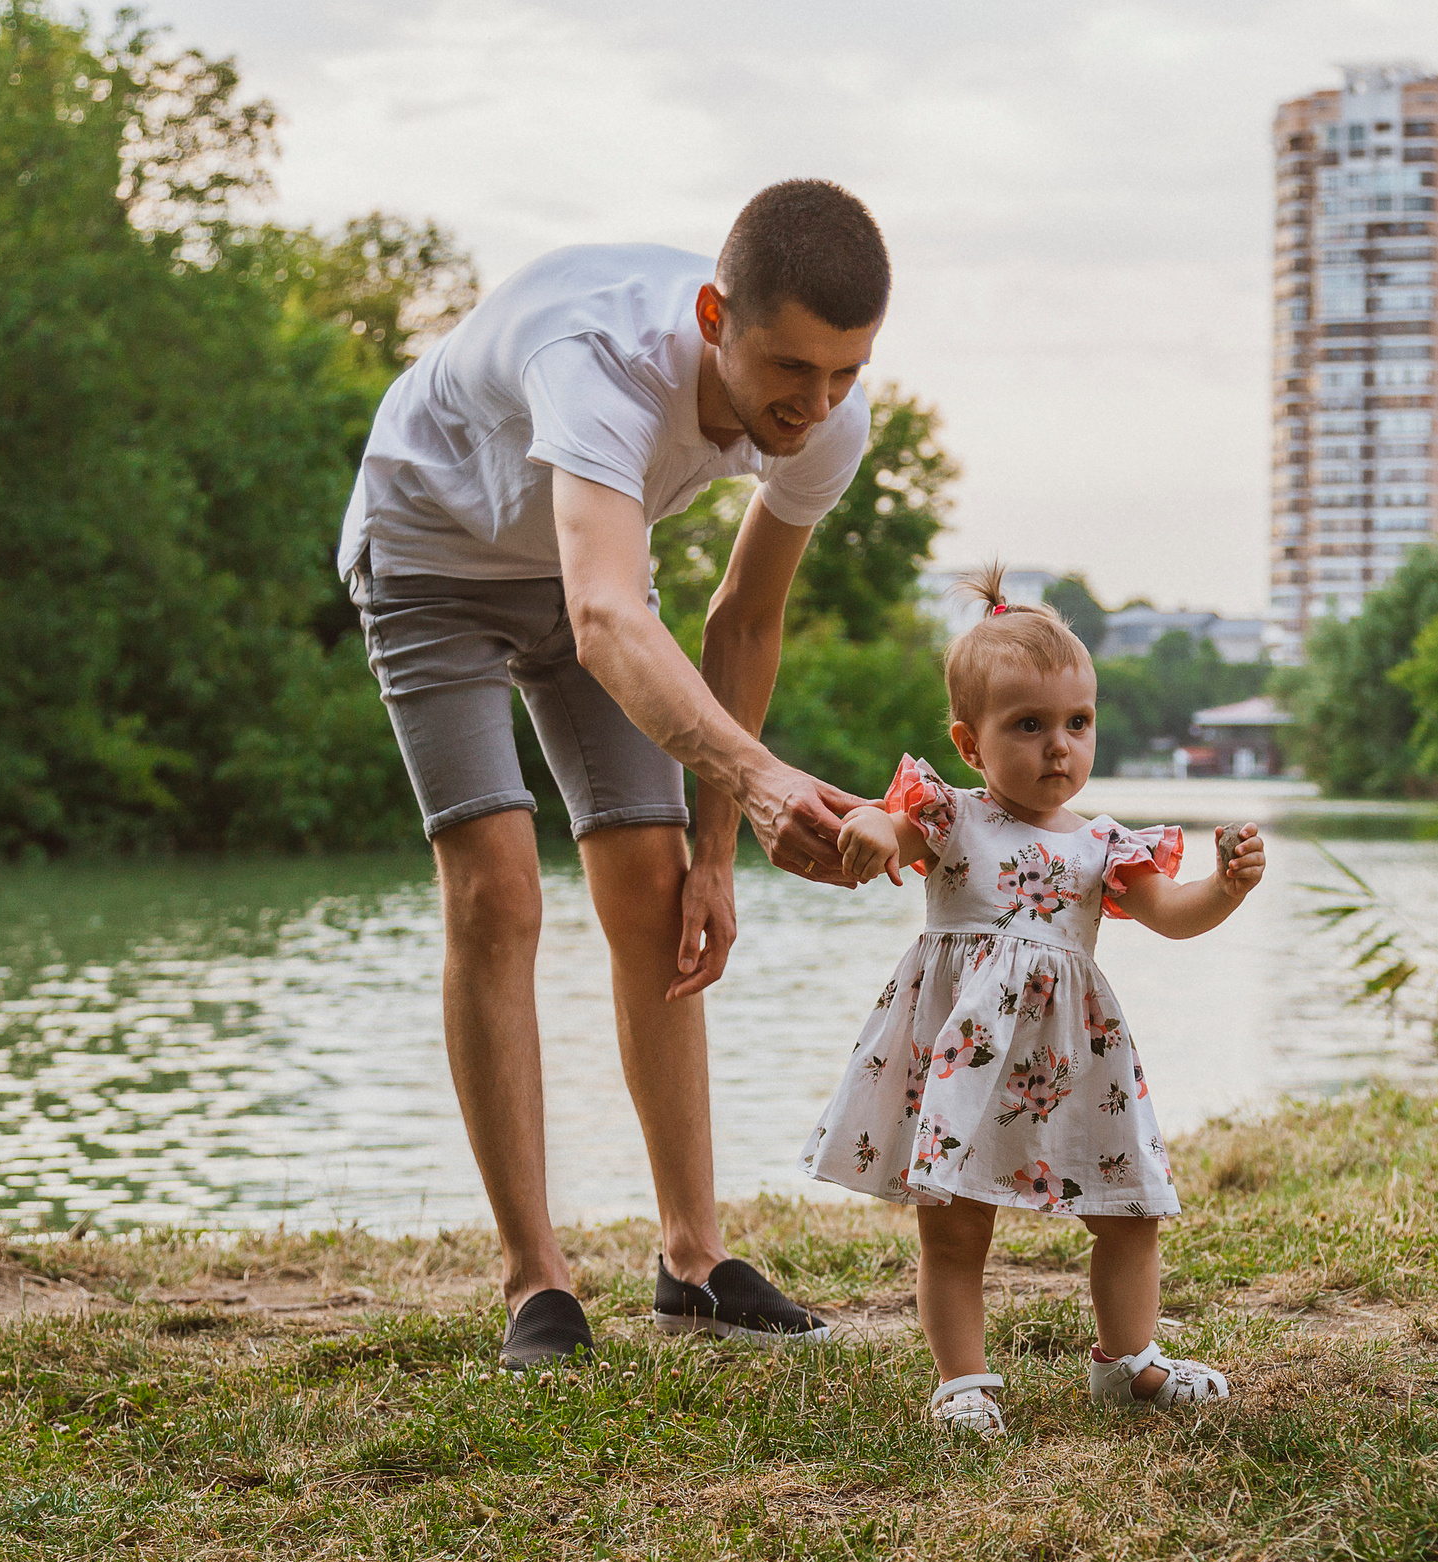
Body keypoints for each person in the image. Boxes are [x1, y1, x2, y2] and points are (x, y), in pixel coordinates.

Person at [340, 180, 888, 1368]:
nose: (817, 404)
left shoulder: (829, 417)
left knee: (652, 897)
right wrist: (769, 780)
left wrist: (716, 854)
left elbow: (742, 619)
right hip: (435, 559)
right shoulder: (600, 354)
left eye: (845, 373)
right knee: (497, 892)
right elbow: (603, 616)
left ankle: (692, 1259)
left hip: (587, 566)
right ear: (711, 317)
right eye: (793, 369)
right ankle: (534, 1280)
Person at [799, 568, 1267, 1436]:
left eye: (1077, 723)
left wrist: (1225, 890)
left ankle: (1129, 1361)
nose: (1059, 746)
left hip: (1074, 1062)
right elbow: (893, 827)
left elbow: (1174, 915)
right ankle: (964, 1381)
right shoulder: (951, 816)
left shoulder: (1104, 845)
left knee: (1128, 1207)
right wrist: (868, 826)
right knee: (957, 1223)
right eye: (1029, 725)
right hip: (968, 1062)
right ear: (970, 743)